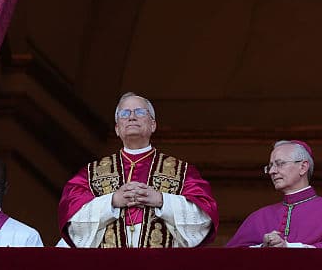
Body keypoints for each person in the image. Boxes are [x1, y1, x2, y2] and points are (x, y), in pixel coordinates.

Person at [58, 92, 218, 247]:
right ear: (117, 128)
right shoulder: (91, 174)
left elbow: (203, 219)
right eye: (124, 113)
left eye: (140, 112)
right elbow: (72, 220)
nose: (132, 117)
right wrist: (112, 202)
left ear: (153, 124)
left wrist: (162, 200)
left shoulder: (182, 172)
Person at [226, 139, 322, 248]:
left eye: (279, 164)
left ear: (303, 167)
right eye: (270, 166)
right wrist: (262, 248)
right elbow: (229, 258)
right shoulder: (259, 217)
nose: (272, 171)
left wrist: (288, 247)